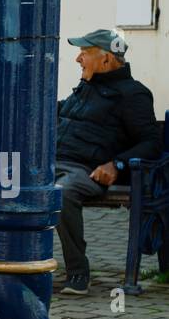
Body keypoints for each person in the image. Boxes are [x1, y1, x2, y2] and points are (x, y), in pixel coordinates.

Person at [54, 29, 161, 295]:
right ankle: (9, 265)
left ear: (106, 60)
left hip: (85, 171)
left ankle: (78, 273)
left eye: (84, 53)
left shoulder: (133, 94)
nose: (78, 59)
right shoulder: (85, 87)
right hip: (51, 164)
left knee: (60, 195)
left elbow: (151, 142)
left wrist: (117, 165)